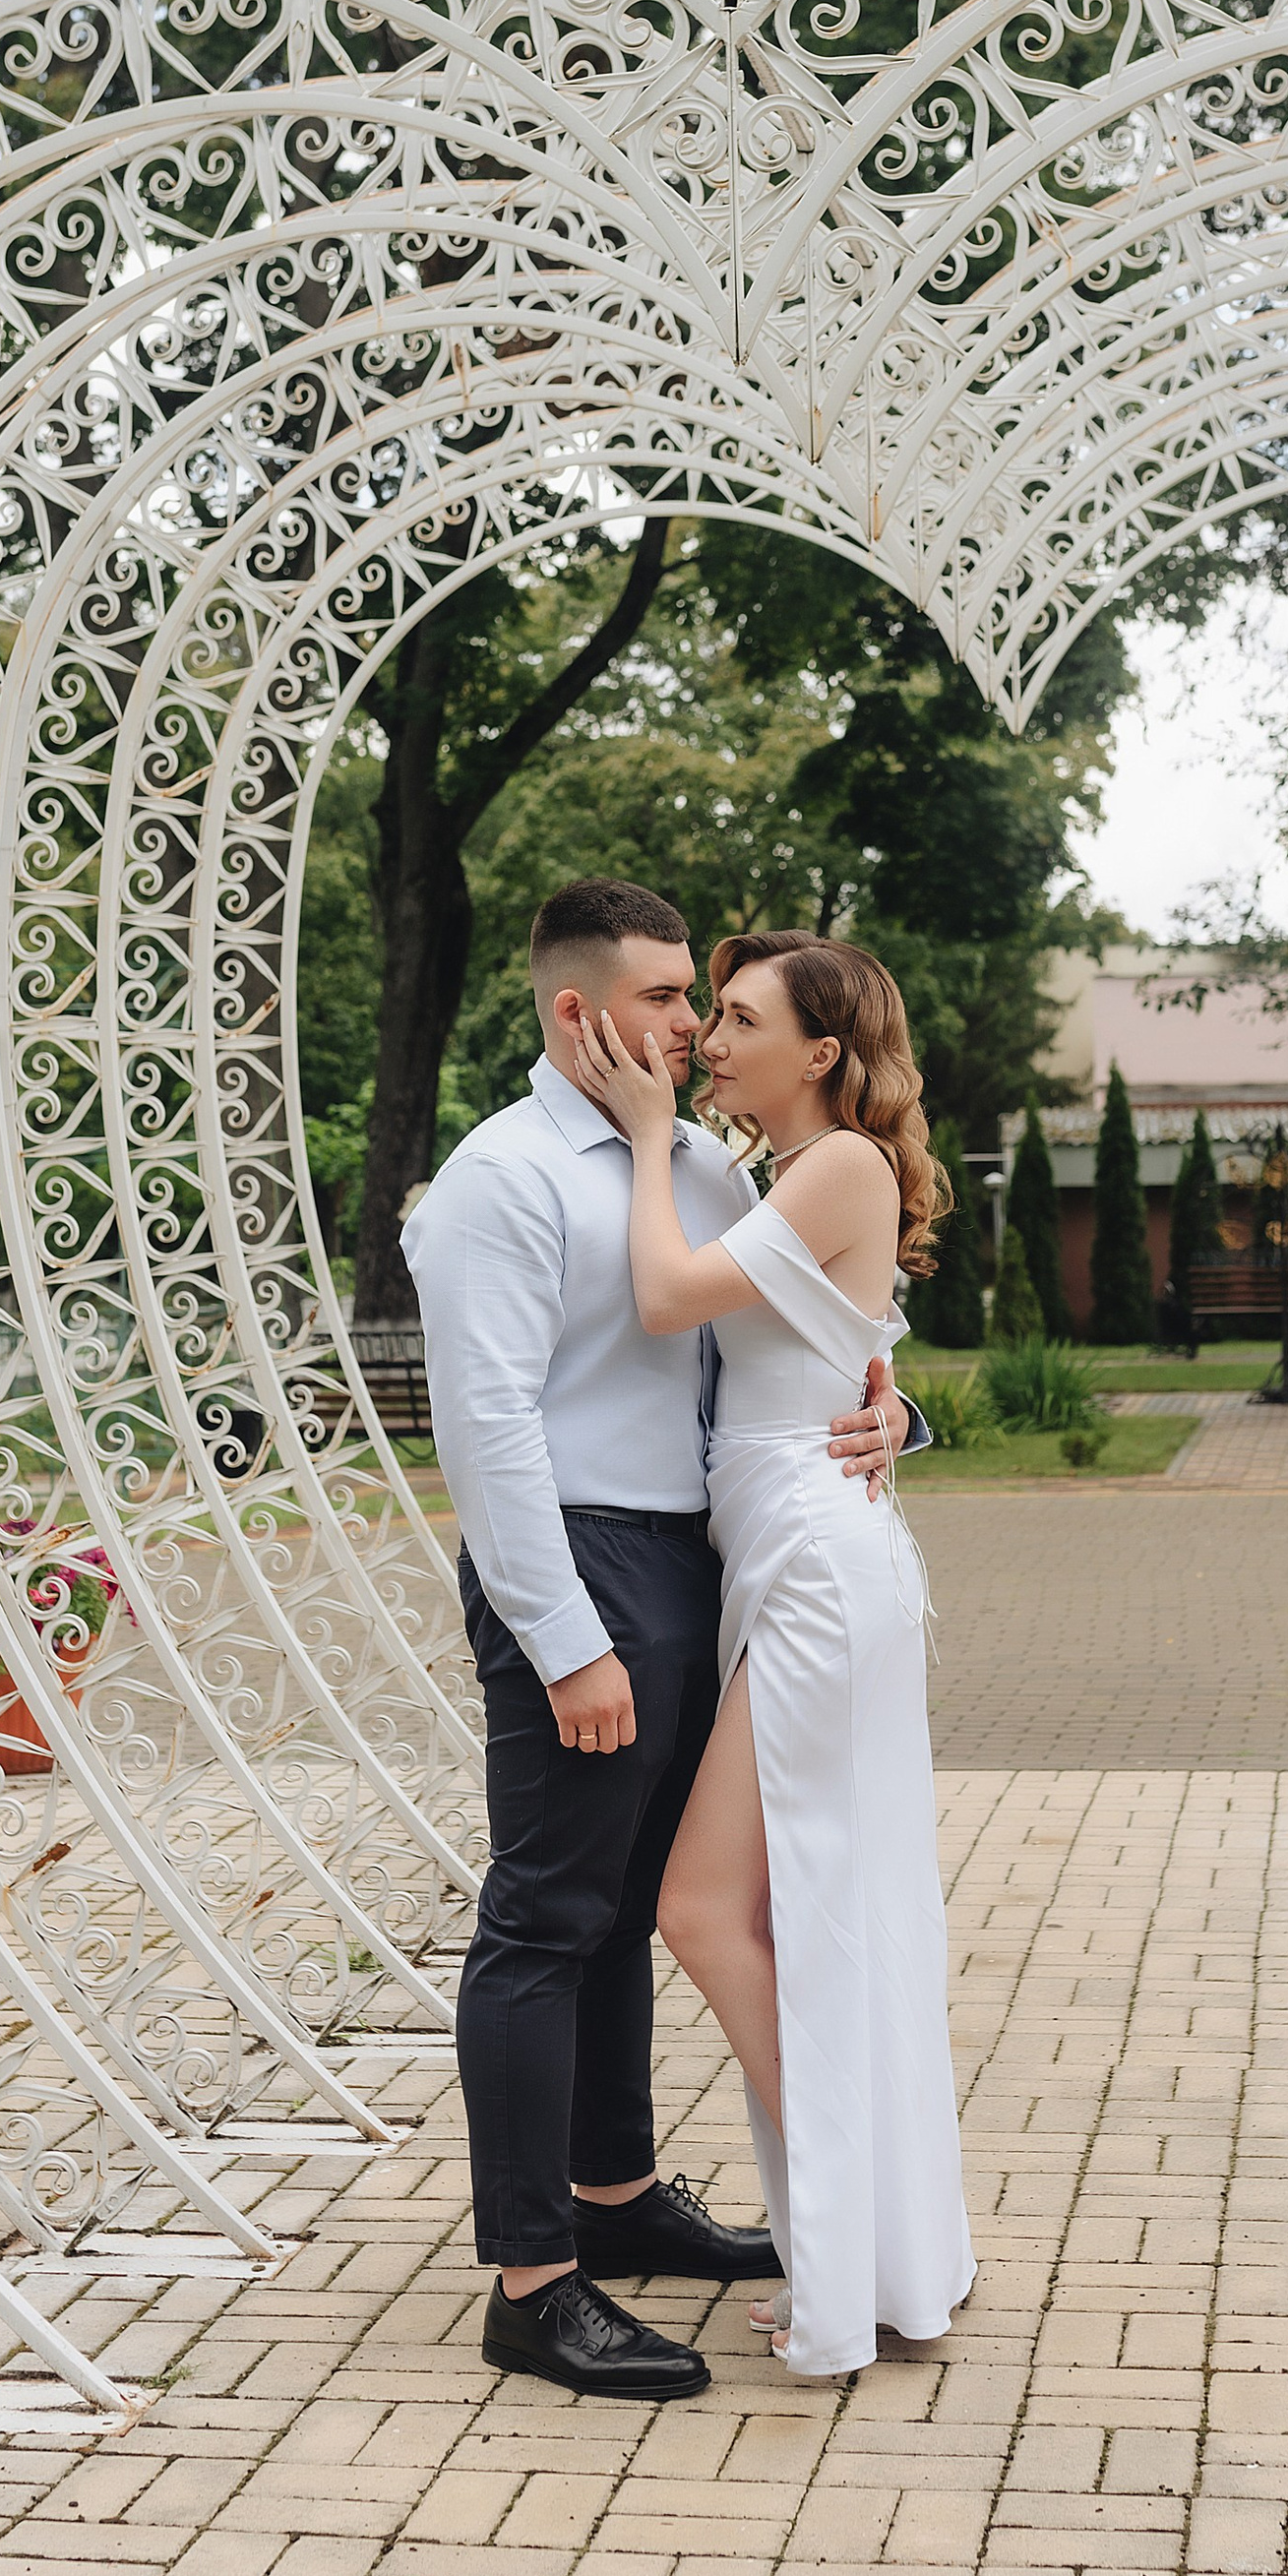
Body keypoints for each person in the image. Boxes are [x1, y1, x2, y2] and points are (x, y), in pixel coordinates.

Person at [400, 880, 918, 2402]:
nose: (693, 1024)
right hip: (577, 1558)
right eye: (670, 996)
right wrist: (563, 1638)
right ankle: (533, 2276)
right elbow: (484, 1427)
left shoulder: (694, 1159)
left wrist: (895, 1410)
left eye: (707, 999)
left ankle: (617, 2198)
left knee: (632, 1904)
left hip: (705, 1560)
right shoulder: (496, 1183)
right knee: (547, 1915)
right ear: (583, 1013)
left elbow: (805, 1332)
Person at [574, 931, 975, 2376]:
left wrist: (637, 1135)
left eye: (739, 1020)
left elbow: (673, 1298)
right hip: (789, 1555)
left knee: (702, 1902)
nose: (711, 1040)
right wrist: (903, 1410)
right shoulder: (781, 1176)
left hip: (812, 1566)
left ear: (822, 1051)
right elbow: (849, 1351)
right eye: (710, 1013)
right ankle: (860, 2238)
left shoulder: (841, 1164)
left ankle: (846, 2220)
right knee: (806, 1906)